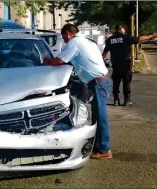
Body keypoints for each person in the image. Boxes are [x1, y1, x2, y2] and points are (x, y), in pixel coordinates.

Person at [43, 24, 113, 160]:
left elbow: (59, 60)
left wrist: (47, 60)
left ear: (68, 33)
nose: (64, 40)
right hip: (102, 80)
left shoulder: (74, 43)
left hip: (98, 82)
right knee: (98, 116)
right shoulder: (86, 41)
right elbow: (74, 61)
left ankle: (104, 149)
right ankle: (99, 146)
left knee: (100, 117)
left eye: (64, 37)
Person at [102, 24, 157, 106]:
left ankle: (116, 99)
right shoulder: (126, 38)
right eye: (123, 28)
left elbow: (104, 53)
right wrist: (152, 36)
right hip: (125, 64)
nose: (124, 30)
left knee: (116, 81)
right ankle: (127, 100)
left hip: (115, 64)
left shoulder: (109, 39)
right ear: (120, 29)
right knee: (126, 81)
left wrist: (100, 62)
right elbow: (140, 39)